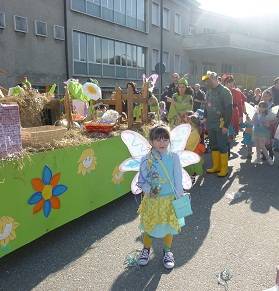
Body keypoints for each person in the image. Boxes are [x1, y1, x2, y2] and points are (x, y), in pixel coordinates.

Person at [137, 125, 185, 269]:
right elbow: (141, 180)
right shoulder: (146, 159)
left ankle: (167, 251)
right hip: (152, 200)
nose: (162, 143)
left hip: (169, 199)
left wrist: (179, 196)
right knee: (149, 227)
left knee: (168, 227)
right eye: (158, 139)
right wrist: (148, 190)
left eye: (165, 139)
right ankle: (145, 249)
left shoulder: (174, 157)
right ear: (151, 141)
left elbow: (178, 178)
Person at [202, 71, 232, 177]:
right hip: (210, 123)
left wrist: (226, 126)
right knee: (213, 145)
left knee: (222, 145)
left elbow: (229, 109)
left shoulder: (225, 91)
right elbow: (207, 105)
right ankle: (216, 166)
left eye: (208, 80)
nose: (206, 83)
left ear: (214, 79)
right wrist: (205, 117)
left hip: (221, 123)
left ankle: (224, 169)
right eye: (205, 81)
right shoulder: (209, 91)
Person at [252, 101, 275, 165]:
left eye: (263, 107)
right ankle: (258, 158)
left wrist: (267, 124)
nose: (261, 108)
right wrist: (249, 119)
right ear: (258, 106)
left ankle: (268, 159)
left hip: (264, 132)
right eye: (260, 106)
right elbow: (253, 121)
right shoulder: (256, 114)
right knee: (257, 146)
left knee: (262, 145)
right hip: (256, 131)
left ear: (266, 108)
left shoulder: (267, 114)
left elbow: (269, 124)